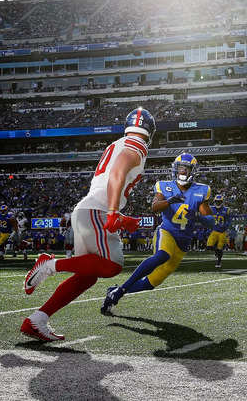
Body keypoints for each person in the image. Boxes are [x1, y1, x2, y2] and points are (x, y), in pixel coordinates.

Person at [20, 107, 155, 342]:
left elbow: (107, 182)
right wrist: (113, 211)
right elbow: (117, 174)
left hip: (88, 210)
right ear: (150, 130)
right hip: (97, 210)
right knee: (112, 266)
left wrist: (121, 219)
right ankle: (50, 264)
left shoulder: (118, 142)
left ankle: (37, 319)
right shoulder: (138, 145)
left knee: (87, 276)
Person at [100, 152, 215, 315]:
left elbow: (209, 219)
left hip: (183, 242)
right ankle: (119, 292)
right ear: (175, 169)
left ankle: (115, 290)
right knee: (163, 255)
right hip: (167, 231)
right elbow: (154, 207)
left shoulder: (201, 190)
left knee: (152, 282)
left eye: (186, 169)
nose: (182, 172)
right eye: (180, 168)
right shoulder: (165, 186)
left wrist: (200, 216)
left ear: (192, 172)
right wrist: (170, 201)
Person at [207, 194, 230, 269]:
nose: (218, 203)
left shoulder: (226, 209)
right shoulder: (211, 209)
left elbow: (228, 221)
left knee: (220, 248)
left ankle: (219, 261)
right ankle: (217, 252)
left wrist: (224, 226)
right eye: (217, 201)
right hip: (214, 230)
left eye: (219, 202)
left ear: (222, 202)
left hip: (222, 232)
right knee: (209, 246)